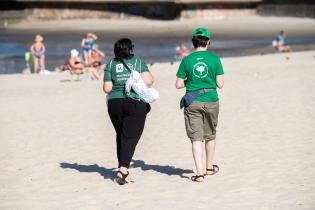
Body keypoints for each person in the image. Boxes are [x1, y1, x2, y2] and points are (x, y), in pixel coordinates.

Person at [175, 28, 224, 182]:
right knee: (210, 135)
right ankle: (209, 168)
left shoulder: (187, 60)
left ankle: (200, 173)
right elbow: (220, 84)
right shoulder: (215, 59)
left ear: (193, 42)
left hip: (193, 101)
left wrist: (191, 82)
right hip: (211, 99)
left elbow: (178, 84)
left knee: (196, 138)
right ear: (208, 42)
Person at [103, 38, 154, 185]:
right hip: (134, 102)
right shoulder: (138, 62)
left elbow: (107, 88)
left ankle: (121, 167)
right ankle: (123, 170)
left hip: (114, 103)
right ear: (130, 49)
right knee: (131, 137)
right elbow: (149, 81)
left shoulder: (111, 64)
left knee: (121, 135)